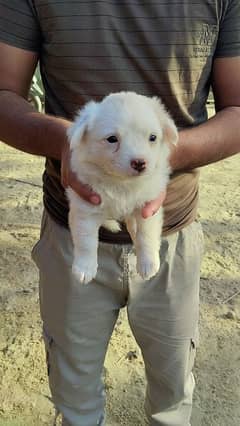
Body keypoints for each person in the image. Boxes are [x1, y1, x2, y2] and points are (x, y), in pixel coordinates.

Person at [0, 1, 239, 425]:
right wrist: (63, 141)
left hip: (173, 229)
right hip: (70, 230)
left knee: (172, 391)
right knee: (75, 392)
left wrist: (161, 160)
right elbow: (3, 93)